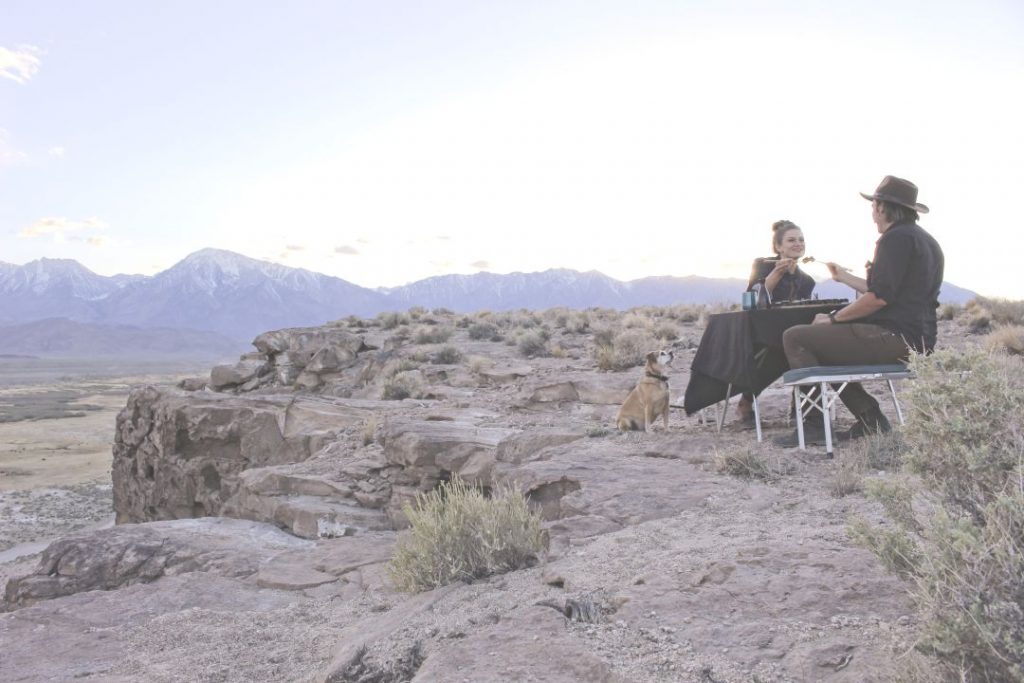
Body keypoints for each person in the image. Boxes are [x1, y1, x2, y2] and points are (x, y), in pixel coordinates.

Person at [773, 175, 944, 446]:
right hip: (920, 339)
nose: (873, 214)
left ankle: (814, 426)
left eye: (874, 207)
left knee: (795, 337)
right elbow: (888, 290)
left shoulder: (894, 239)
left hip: (894, 337)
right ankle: (870, 420)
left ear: (881, 207)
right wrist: (843, 278)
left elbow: (878, 299)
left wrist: (832, 319)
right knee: (826, 345)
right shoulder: (924, 240)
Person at [736, 220, 816, 423]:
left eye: (801, 240)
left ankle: (804, 404)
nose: (798, 243)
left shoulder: (807, 280)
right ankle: (746, 399)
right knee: (779, 348)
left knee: (805, 346)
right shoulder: (763, 266)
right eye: (791, 240)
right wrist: (777, 273)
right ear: (778, 247)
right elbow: (752, 300)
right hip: (761, 330)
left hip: (792, 330)